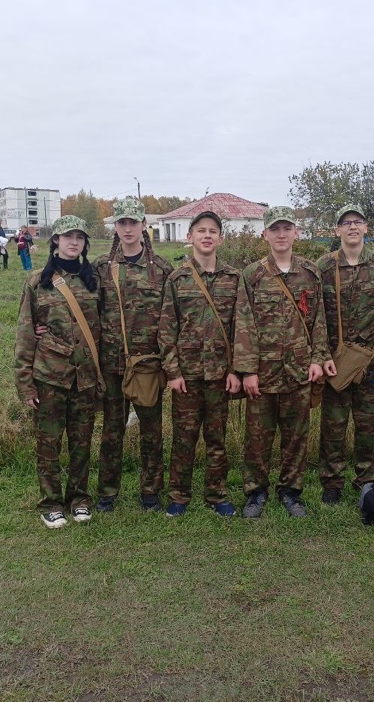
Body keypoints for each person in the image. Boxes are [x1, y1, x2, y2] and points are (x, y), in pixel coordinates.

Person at [234, 206, 335, 518]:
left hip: (299, 370)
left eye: (286, 228)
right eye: (275, 229)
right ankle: (255, 493)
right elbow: (243, 324)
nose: (281, 234)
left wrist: (319, 359)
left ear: (296, 233)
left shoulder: (310, 273)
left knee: (296, 437)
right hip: (263, 373)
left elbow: (319, 321)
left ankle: (291, 492)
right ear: (265, 234)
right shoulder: (252, 275)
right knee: (257, 438)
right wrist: (247, 370)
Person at [14, 215, 104, 529]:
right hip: (49, 377)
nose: (73, 242)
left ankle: (79, 499)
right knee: (48, 445)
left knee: (81, 443)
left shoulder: (94, 280)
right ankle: (51, 503)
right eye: (67, 237)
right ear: (56, 241)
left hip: (85, 378)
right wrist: (25, 383)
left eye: (79, 237)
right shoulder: (38, 281)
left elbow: (104, 330)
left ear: (84, 243)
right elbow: (26, 332)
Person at [315, 204, 374, 504]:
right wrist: (321, 355)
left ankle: (365, 479)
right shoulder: (323, 268)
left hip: (371, 363)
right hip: (335, 362)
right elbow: (315, 318)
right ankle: (332, 481)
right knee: (333, 424)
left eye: (358, 222)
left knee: (369, 425)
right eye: (346, 222)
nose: (352, 227)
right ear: (337, 230)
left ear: (366, 228)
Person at [158, 210, 241, 517]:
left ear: (220, 238)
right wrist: (173, 372)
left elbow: (240, 328)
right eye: (201, 230)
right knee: (184, 437)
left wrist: (236, 370)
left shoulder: (234, 278)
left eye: (213, 231)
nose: (207, 235)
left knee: (217, 438)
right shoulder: (177, 279)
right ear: (189, 237)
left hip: (221, 374)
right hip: (187, 376)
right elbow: (166, 329)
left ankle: (217, 494)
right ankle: (179, 495)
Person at [93, 197, 174, 512]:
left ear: (144, 225)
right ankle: (107, 493)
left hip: (147, 366)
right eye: (122, 222)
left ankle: (150, 491)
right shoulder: (102, 267)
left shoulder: (162, 269)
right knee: (112, 430)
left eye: (133, 222)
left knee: (151, 430)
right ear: (116, 226)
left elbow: (172, 318)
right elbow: (86, 310)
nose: (128, 228)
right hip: (112, 364)